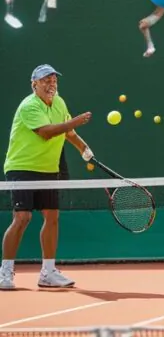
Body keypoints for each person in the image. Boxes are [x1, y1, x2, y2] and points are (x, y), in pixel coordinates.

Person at [2, 65, 94, 290]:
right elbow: (47, 132)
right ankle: (5, 271)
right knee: (22, 218)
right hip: (22, 167)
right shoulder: (29, 106)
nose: (51, 84)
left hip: (48, 168)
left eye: (54, 80)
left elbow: (68, 133)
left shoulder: (59, 103)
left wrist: (83, 148)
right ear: (34, 84)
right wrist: (75, 121)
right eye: (46, 80)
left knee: (52, 217)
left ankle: (48, 272)